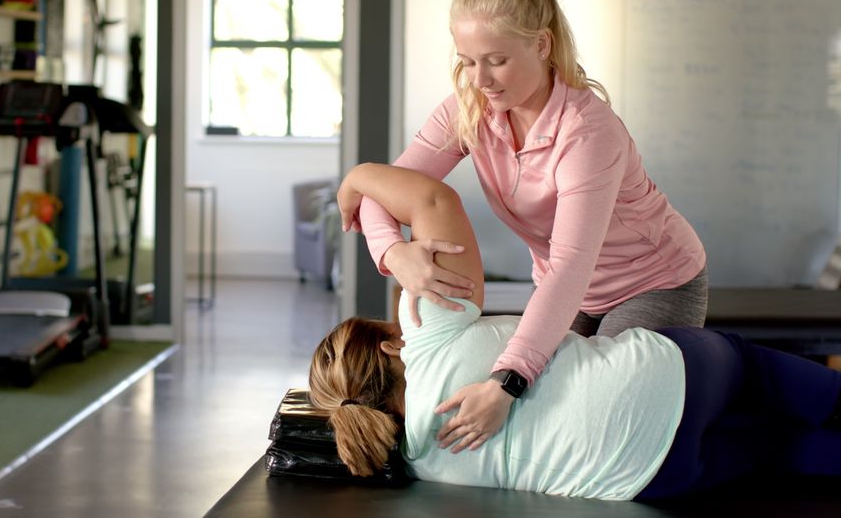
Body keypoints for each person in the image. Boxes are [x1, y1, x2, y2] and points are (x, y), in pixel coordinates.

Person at [340, 0, 708, 451]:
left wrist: (508, 381)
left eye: (497, 60)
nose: (480, 79)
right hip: (569, 288)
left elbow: (571, 265)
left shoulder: (586, 131)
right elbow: (388, 188)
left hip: (653, 281)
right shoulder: (470, 108)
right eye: (467, 61)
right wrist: (391, 251)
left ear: (541, 44)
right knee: (547, 409)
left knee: (602, 413)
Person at [314, 162, 841, 500]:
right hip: (670, 380)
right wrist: (358, 179)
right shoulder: (427, 330)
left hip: (648, 477)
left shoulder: (416, 463)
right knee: (758, 376)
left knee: (780, 451)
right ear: (389, 344)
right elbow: (433, 201)